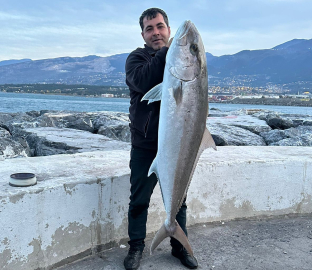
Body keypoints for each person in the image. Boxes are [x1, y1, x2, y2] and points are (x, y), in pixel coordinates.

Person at [124, 7, 198, 270]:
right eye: (149, 28)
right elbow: (144, 81)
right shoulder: (136, 59)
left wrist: (180, 53)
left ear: (168, 29)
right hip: (144, 146)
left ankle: (180, 247)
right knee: (139, 200)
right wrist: (172, 52)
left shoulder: (180, 60)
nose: (155, 32)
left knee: (178, 202)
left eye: (159, 26)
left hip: (175, 146)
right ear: (143, 34)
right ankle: (136, 247)